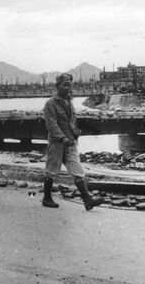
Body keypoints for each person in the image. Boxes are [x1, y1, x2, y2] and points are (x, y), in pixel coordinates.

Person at [42, 73, 102, 210]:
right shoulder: (50, 103)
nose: (67, 87)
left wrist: (74, 132)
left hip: (71, 142)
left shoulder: (70, 102)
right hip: (57, 142)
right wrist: (62, 138)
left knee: (77, 170)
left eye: (69, 84)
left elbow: (71, 121)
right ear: (57, 86)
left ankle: (87, 199)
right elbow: (51, 124)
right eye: (64, 85)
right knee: (51, 170)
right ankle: (46, 198)